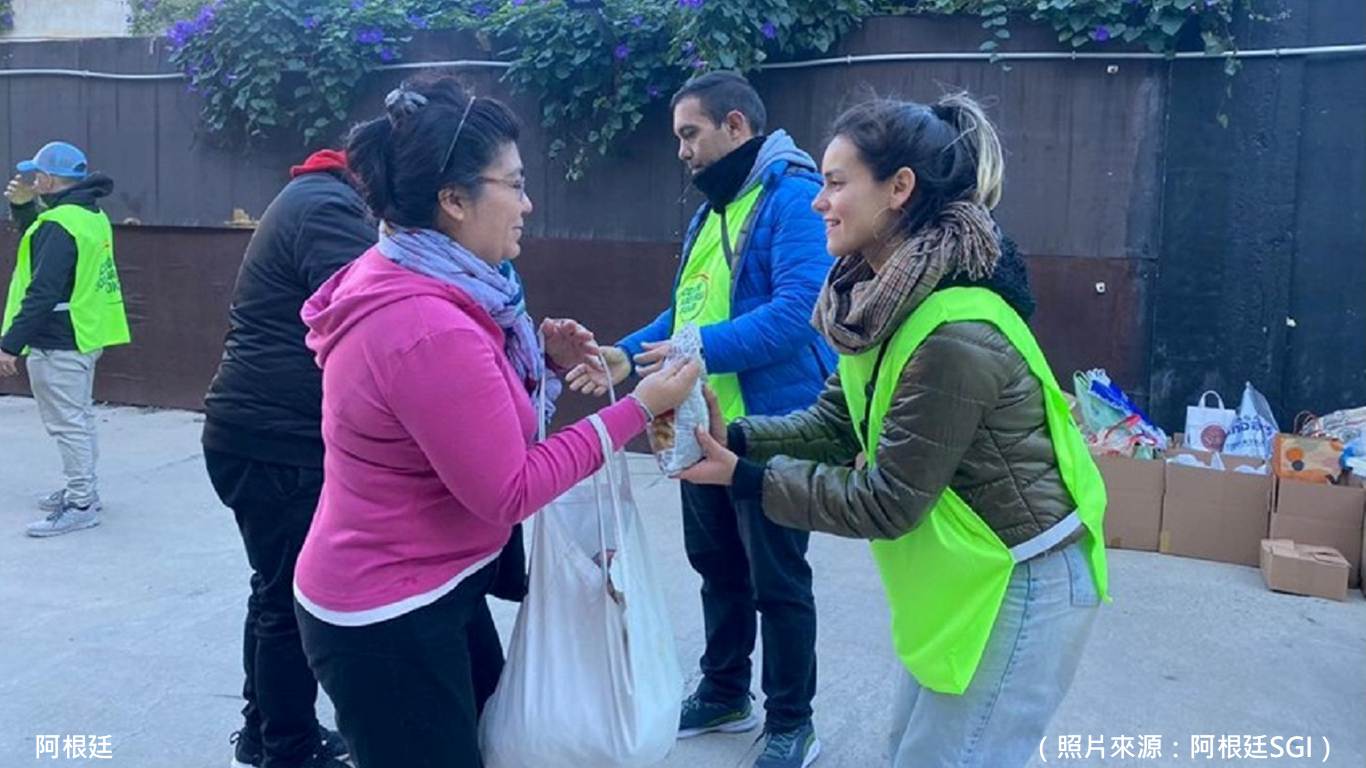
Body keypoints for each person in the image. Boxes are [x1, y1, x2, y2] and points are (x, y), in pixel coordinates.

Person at [679, 94, 1109, 768]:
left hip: (1022, 583)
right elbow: (835, 421)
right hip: (970, 579)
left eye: (836, 182)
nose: (819, 202)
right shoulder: (877, 302)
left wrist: (749, 479)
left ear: (898, 189)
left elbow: (887, 501)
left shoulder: (953, 332)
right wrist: (734, 438)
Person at [291, 76, 700, 768]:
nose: (527, 204)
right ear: (453, 201)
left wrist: (542, 364)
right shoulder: (428, 323)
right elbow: (508, 489)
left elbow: (472, 429)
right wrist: (640, 408)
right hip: (388, 618)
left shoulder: (437, 283)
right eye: (513, 184)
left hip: (432, 586)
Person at [569, 70, 833, 768]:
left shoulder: (793, 197)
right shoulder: (713, 211)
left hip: (772, 428)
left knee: (778, 580)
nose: (682, 151)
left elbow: (797, 313)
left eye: (691, 134)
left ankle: (792, 721)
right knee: (717, 566)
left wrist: (689, 350)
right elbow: (687, 307)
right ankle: (724, 691)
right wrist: (626, 353)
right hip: (701, 425)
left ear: (736, 126)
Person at [202, 149, 373, 768]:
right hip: (277, 443)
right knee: (290, 601)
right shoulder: (328, 209)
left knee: (273, 593)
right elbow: (374, 304)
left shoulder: (311, 198)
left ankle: (266, 734)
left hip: (256, 435)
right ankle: (289, 749)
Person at [1, 141, 129, 537]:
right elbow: (43, 244)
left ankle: (81, 503)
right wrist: (24, 208)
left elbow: (42, 290)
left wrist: (9, 344)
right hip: (84, 333)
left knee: (67, 424)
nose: (31, 180)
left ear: (49, 180)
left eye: (36, 174)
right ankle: (83, 489)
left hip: (58, 340)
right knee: (79, 418)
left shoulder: (59, 224)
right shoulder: (89, 214)